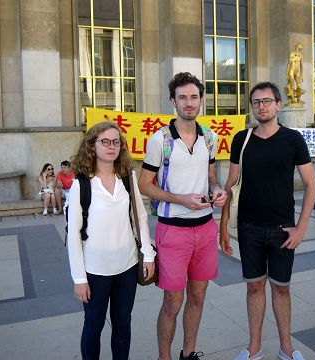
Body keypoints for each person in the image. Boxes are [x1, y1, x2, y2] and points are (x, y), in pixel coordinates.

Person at [220, 82, 315, 360]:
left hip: (282, 229)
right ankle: (254, 348)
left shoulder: (293, 139)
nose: (261, 106)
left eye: (266, 101)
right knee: (254, 286)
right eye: (256, 102)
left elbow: (310, 184)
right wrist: (223, 227)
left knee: (281, 288)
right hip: (249, 228)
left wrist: (302, 227)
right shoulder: (242, 138)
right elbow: (231, 183)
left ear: (278, 104)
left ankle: (286, 348)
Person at [138, 72, 227, 360]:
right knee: (172, 302)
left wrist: (216, 190)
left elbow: (211, 175)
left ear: (201, 100)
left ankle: (188, 354)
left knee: (198, 296)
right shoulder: (159, 140)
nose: (189, 103)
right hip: (172, 231)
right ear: (172, 102)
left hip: (205, 229)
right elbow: (144, 185)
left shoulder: (210, 137)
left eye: (193, 97)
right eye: (182, 98)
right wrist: (181, 199)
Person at [67, 121, 156, 360]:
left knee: (122, 325)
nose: (111, 146)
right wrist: (79, 279)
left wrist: (148, 255)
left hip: (127, 266)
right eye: (105, 141)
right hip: (95, 271)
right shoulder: (81, 184)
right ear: (92, 146)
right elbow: (73, 235)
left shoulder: (127, 177)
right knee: (93, 327)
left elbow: (140, 217)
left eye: (116, 142)